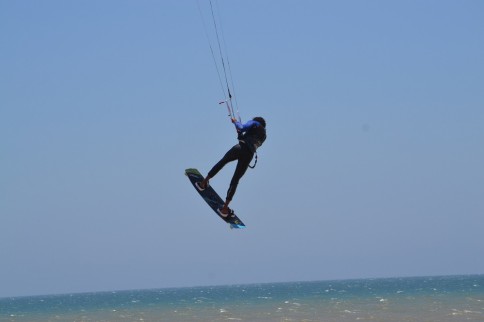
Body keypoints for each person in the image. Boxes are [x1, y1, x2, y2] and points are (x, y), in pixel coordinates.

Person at [196, 117, 267, 217]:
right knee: (235, 180)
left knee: (223, 162)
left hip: (240, 148)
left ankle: (203, 183)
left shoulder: (255, 123)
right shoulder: (264, 136)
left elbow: (242, 127)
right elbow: (250, 141)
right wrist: (240, 134)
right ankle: (224, 209)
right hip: (248, 156)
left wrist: (235, 122)